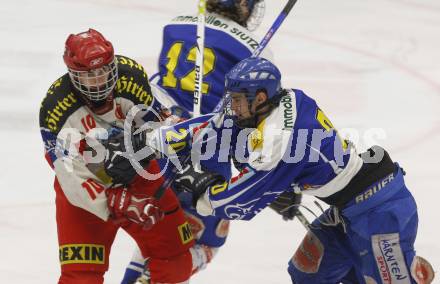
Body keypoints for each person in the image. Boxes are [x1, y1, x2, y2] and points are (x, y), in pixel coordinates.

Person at [132, 57, 435, 283]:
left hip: (378, 210)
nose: (232, 106)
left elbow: (242, 202)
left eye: (237, 100)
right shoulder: (286, 98)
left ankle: (408, 272)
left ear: (260, 98)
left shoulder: (280, 139)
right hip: (346, 208)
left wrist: (202, 193)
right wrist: (154, 139)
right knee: (307, 273)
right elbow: (214, 127)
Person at [39, 28, 195, 284]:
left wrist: (177, 135)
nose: (99, 80)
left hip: (140, 178)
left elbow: (160, 123)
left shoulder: (131, 77)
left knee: (175, 259)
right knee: (81, 278)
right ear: (73, 74)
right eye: (89, 75)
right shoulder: (56, 108)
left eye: (103, 71)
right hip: (88, 190)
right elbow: (69, 175)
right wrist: (115, 201)